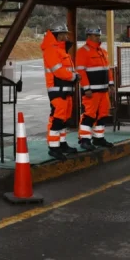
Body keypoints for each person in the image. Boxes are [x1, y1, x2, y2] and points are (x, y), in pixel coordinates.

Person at [42, 24, 78, 160]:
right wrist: (74, 76)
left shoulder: (62, 51)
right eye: (63, 34)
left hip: (65, 89)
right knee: (57, 118)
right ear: (57, 35)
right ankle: (53, 147)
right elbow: (58, 71)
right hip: (57, 90)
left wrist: (73, 76)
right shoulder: (51, 50)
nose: (66, 36)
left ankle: (62, 144)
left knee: (63, 118)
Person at [75, 26, 114, 150]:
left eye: (98, 35)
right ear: (89, 36)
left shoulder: (102, 51)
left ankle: (99, 138)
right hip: (91, 91)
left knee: (102, 114)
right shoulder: (83, 52)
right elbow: (81, 72)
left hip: (103, 90)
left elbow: (108, 70)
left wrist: (111, 84)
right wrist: (86, 88)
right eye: (96, 36)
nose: (98, 38)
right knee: (89, 115)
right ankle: (84, 140)